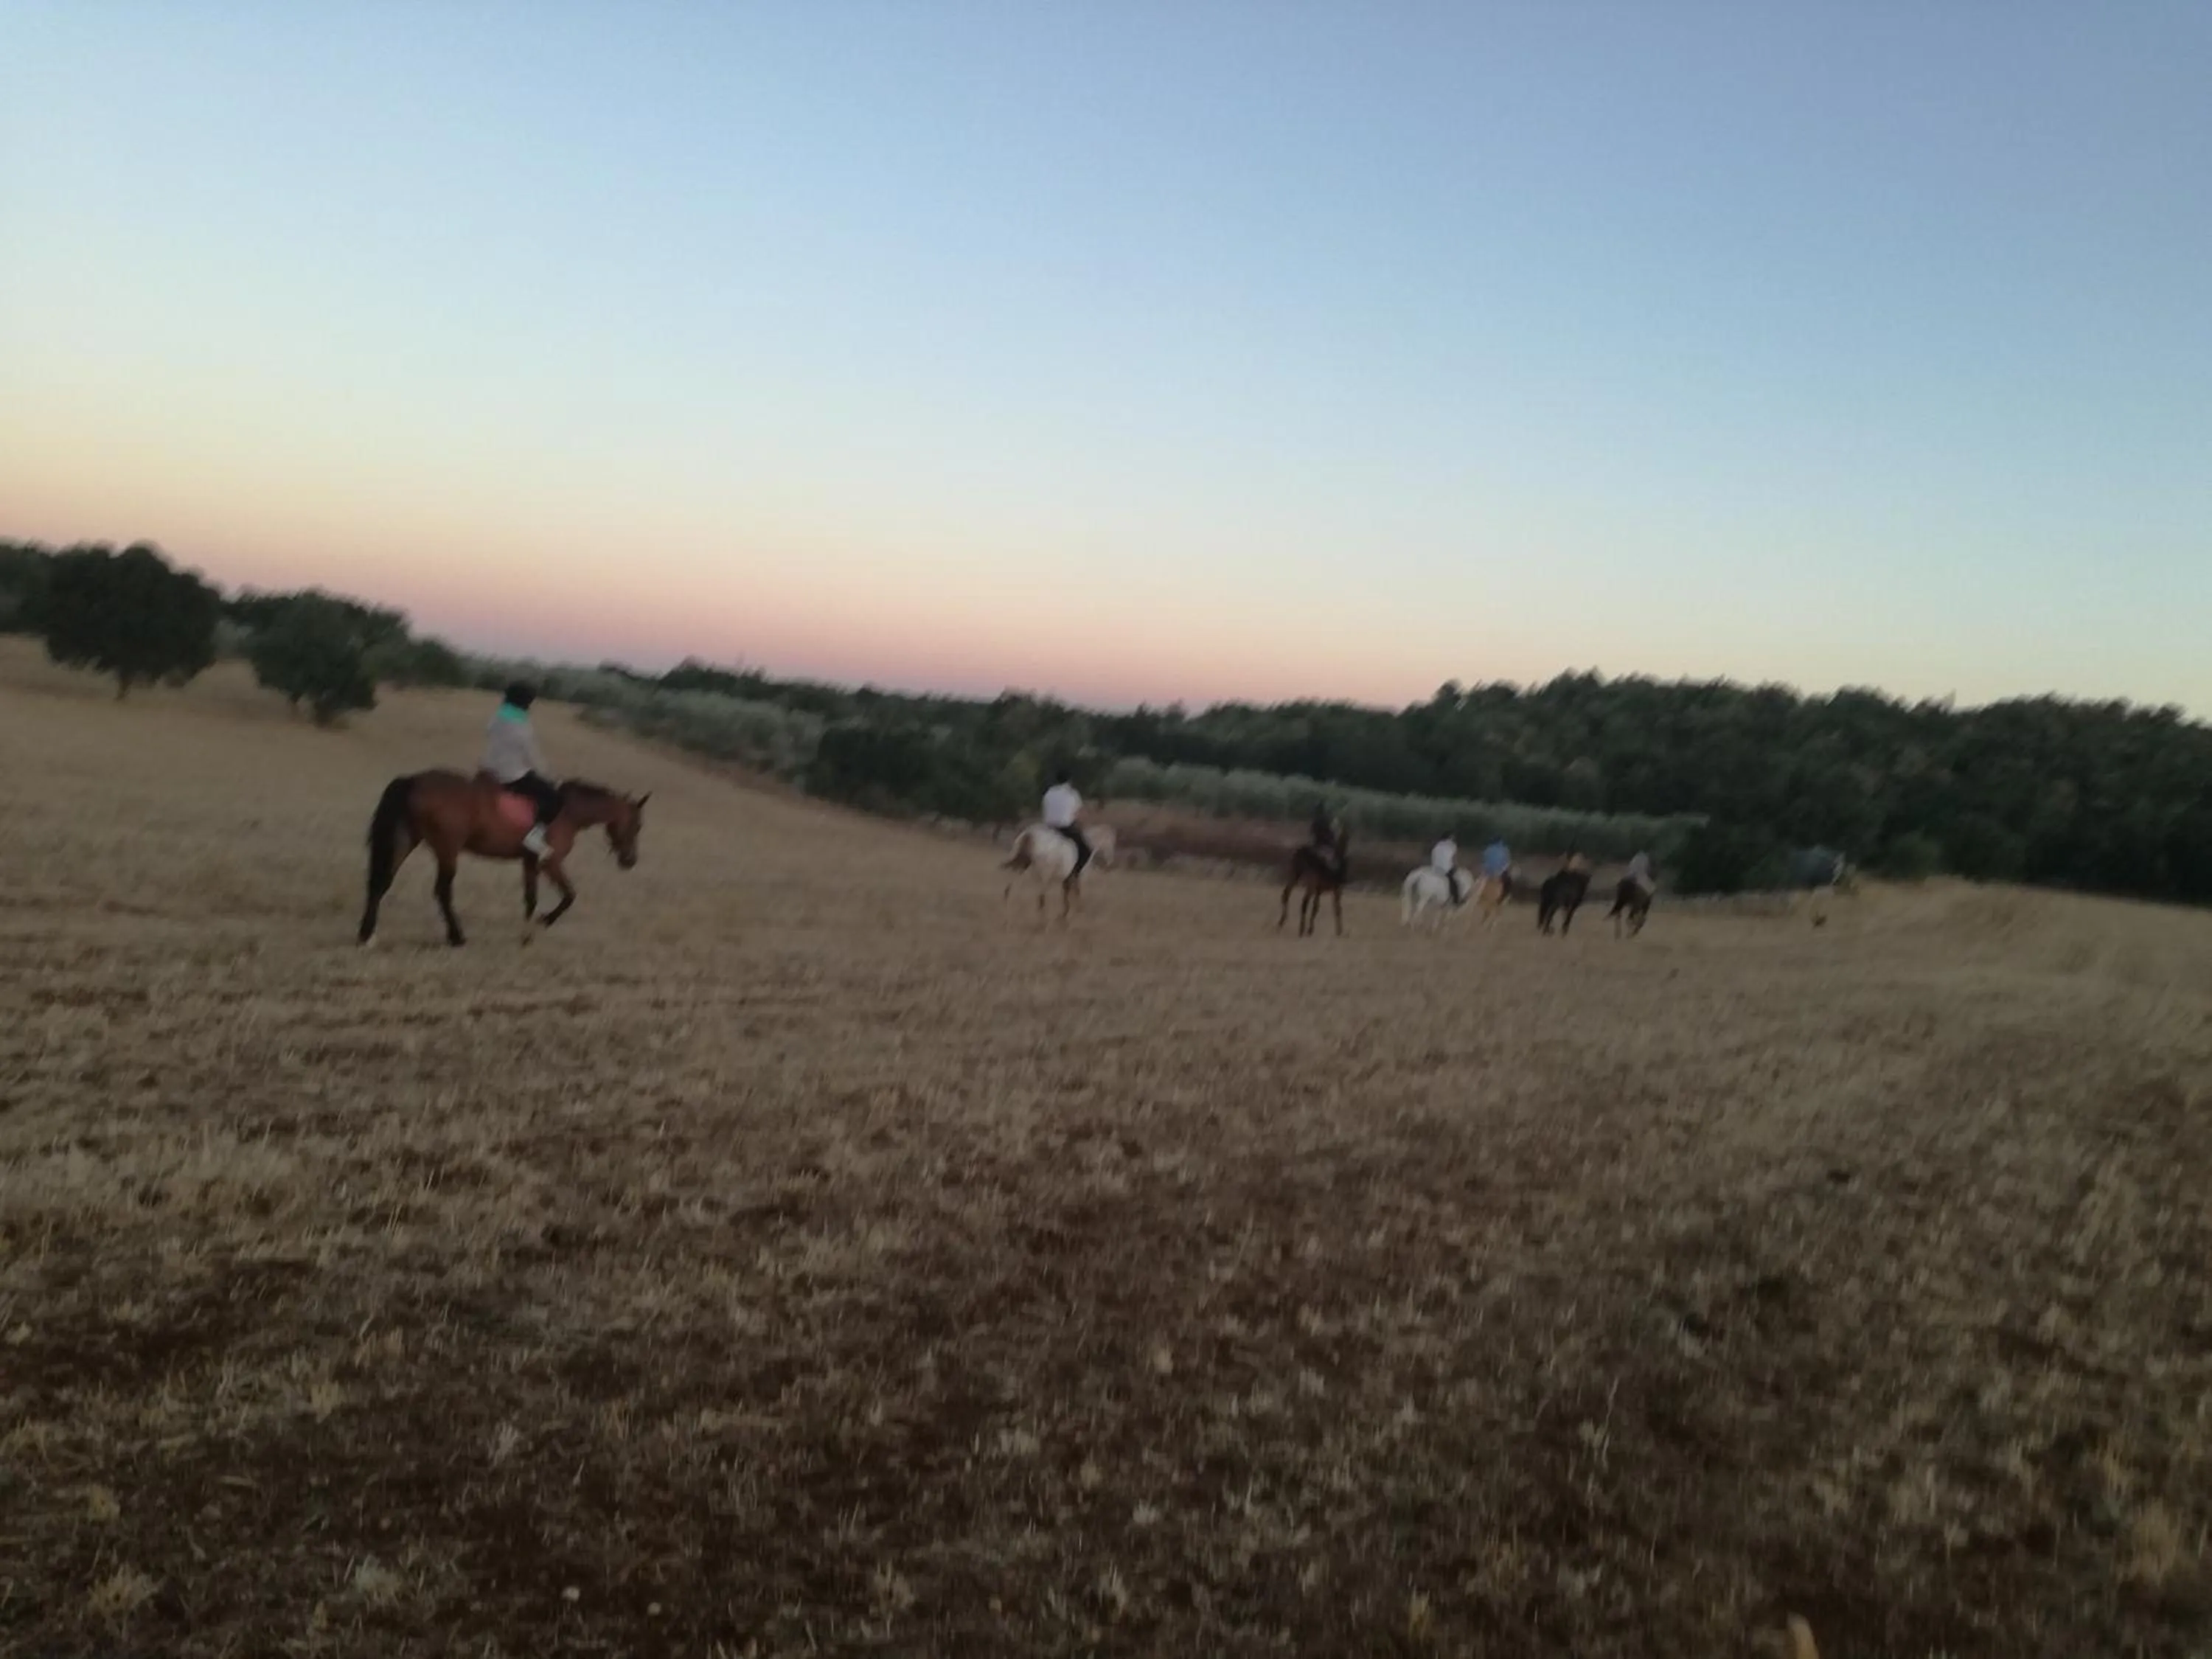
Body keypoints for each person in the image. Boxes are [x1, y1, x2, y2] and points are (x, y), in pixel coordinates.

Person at [483, 682, 560, 857]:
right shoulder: (522, 726)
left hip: (488, 769)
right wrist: (549, 776)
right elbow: (531, 756)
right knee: (553, 799)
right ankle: (535, 837)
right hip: (512, 775)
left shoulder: (496, 717)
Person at [1042, 770, 1092, 877]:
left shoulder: (1049, 792)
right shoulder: (1073, 794)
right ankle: (1074, 874)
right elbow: (1078, 813)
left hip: (1048, 828)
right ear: (1069, 781)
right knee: (1086, 851)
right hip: (1064, 827)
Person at [1431, 832, 1464, 903]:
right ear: (1450, 838)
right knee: (1455, 882)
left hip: (1435, 867)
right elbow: (1454, 858)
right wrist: (1456, 866)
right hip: (1446, 868)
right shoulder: (1452, 845)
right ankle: (1456, 900)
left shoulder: (1437, 845)